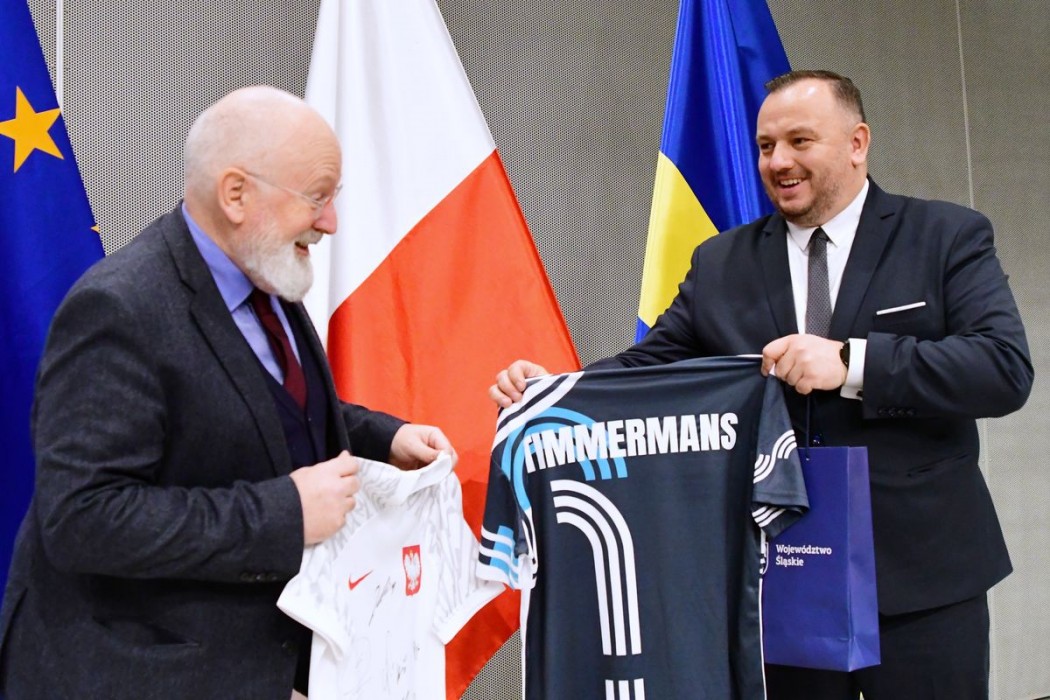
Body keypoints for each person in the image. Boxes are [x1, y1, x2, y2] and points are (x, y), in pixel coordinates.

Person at [490, 70, 1033, 699]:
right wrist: (555, 391)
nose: (778, 162)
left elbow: (1001, 368)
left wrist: (852, 363)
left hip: (923, 577)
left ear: (857, 143)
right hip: (781, 572)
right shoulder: (722, 262)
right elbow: (651, 368)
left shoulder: (944, 236)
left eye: (800, 141)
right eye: (766, 146)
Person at [0, 85, 454, 699]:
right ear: (236, 194)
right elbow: (84, 518)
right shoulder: (118, 309)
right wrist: (285, 515)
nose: (330, 222)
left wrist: (385, 438)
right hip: (137, 676)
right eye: (317, 197)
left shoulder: (264, 271)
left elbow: (259, 412)